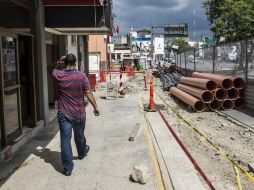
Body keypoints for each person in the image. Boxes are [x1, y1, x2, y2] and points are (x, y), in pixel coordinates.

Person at [48, 54, 100, 176]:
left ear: (64, 63)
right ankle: (81, 153)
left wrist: (57, 61)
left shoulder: (59, 75)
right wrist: (95, 107)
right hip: (79, 113)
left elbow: (49, 68)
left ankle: (68, 168)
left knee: (65, 140)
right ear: (75, 63)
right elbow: (88, 92)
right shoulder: (81, 76)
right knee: (79, 135)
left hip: (63, 113)